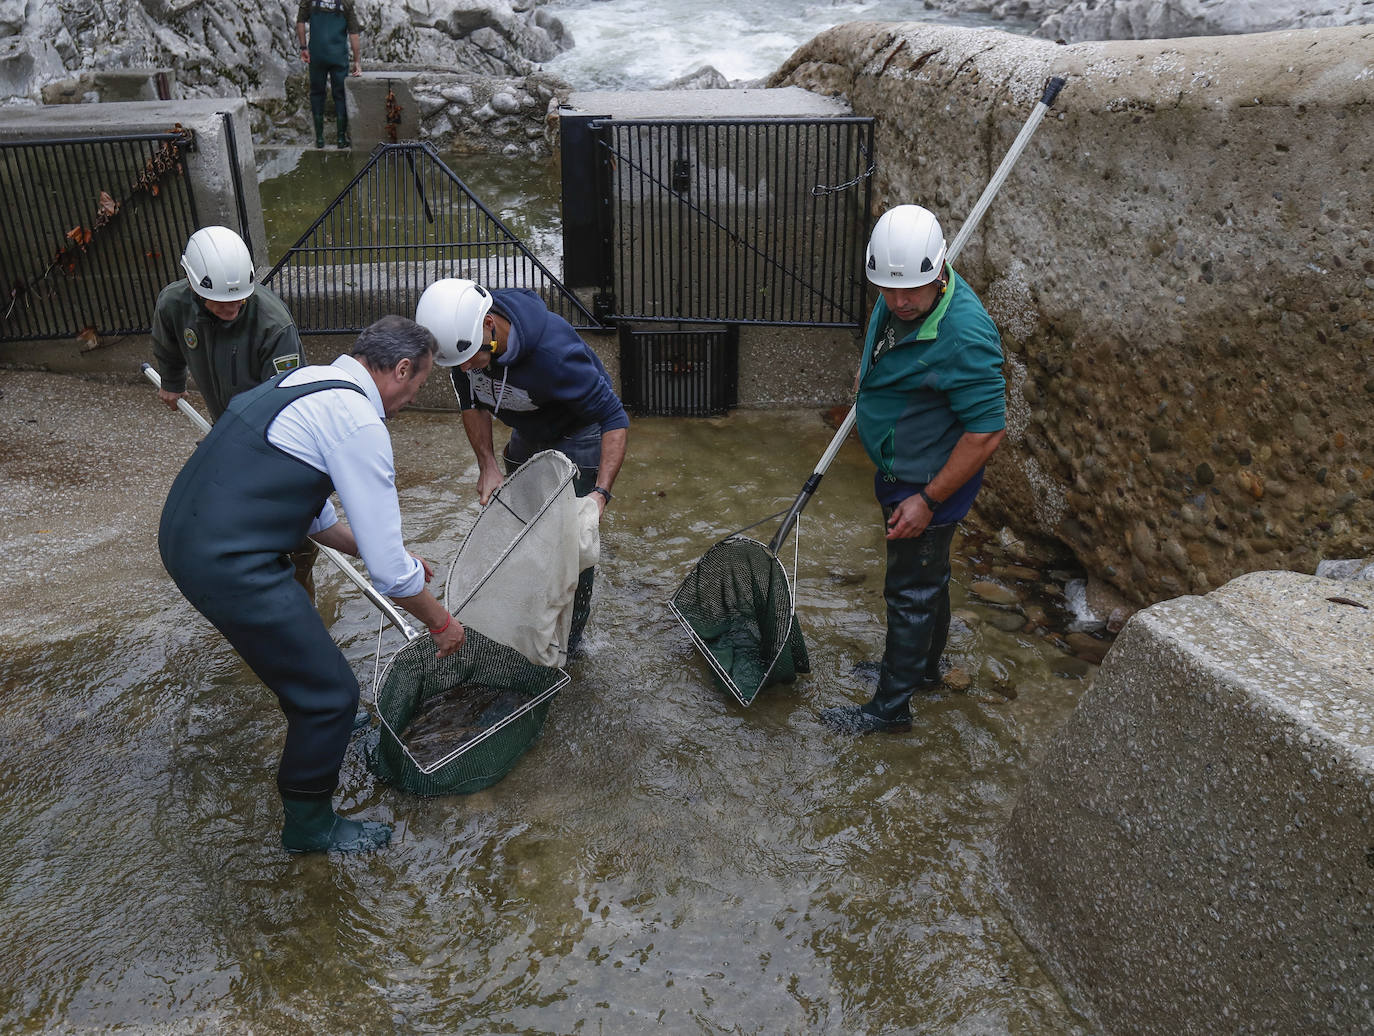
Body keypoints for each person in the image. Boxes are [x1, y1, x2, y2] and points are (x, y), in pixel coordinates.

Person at [158, 315, 466, 853]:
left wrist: (385, 553)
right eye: (415, 388)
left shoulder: (306, 382)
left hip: (189, 532)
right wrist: (441, 622)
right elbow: (391, 576)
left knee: (309, 666)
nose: (411, 401)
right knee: (330, 696)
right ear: (398, 369)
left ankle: (319, 729)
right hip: (227, 559)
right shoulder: (359, 422)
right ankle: (310, 827)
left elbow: (314, 514)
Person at [821, 204, 1006, 735]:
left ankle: (891, 709)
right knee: (928, 580)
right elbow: (887, 329)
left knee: (909, 590)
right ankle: (923, 669)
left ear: (938, 269)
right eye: (887, 288)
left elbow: (986, 432)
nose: (899, 302)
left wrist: (927, 501)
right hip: (905, 465)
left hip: (929, 480)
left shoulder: (966, 337)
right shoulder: (903, 295)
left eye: (910, 292)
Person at [415, 278, 628, 654]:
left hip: (580, 431)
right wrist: (487, 465)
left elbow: (614, 417)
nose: (464, 368)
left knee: (572, 540)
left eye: (470, 358)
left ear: (489, 325)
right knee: (526, 525)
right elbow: (472, 404)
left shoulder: (554, 355)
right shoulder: (461, 345)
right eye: (455, 362)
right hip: (529, 427)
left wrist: (600, 494)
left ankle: (570, 642)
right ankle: (531, 604)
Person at [150, 225, 319, 596]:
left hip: (276, 438)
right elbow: (167, 344)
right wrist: (172, 381)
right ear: (194, 286)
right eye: (221, 302)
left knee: (295, 528)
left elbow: (288, 400)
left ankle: (300, 581)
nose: (231, 308)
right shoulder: (174, 303)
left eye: (239, 300)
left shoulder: (273, 325)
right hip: (224, 421)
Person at [296, 0, 362, 149]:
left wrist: (303, 47)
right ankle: (340, 139)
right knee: (340, 94)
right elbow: (354, 34)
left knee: (317, 93)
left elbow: (300, 22)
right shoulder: (346, 3)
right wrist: (357, 61)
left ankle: (319, 139)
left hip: (317, 55)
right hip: (338, 56)